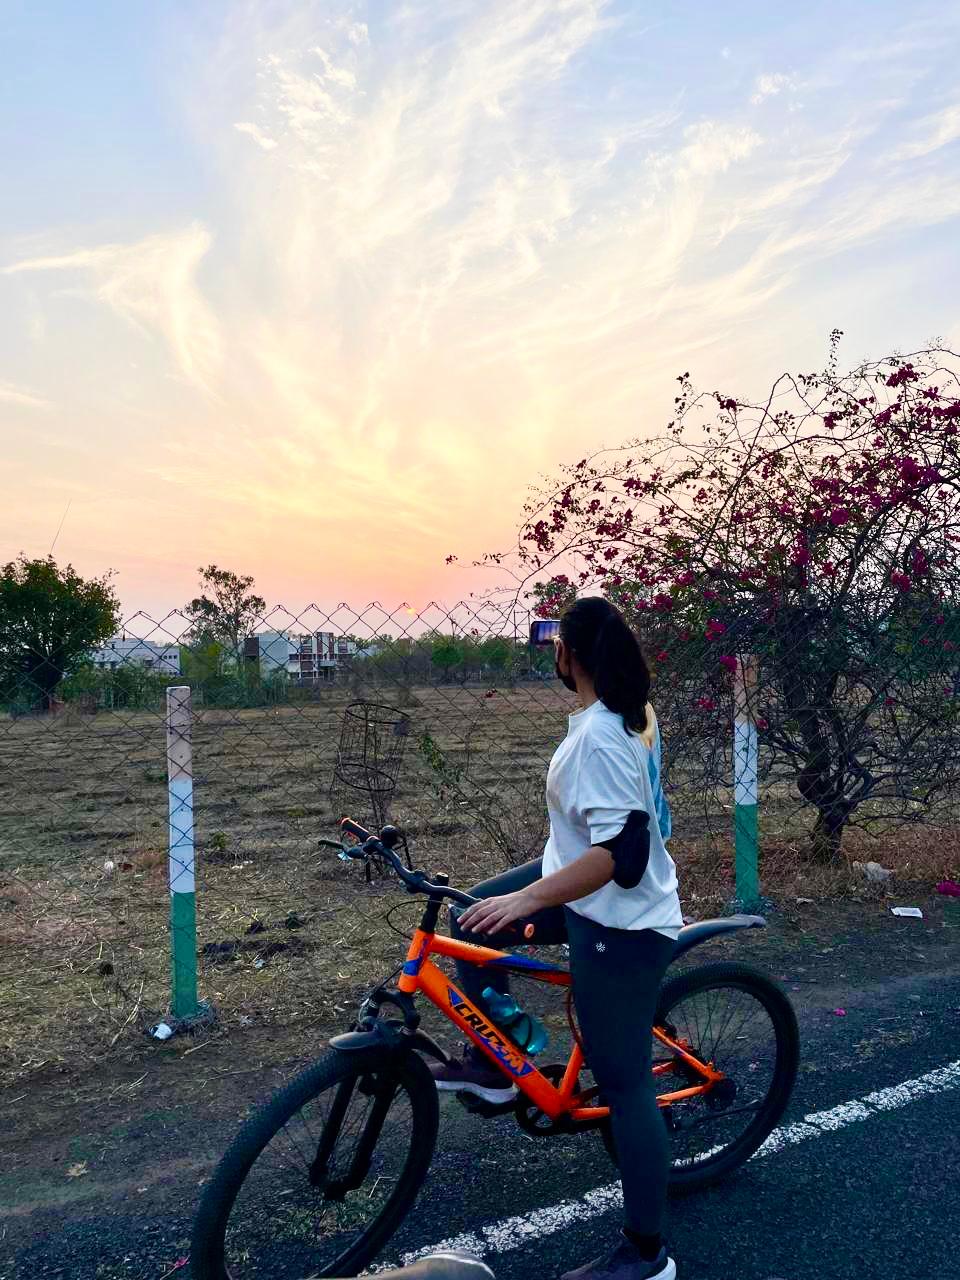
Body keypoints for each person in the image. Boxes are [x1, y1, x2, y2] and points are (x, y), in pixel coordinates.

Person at [430, 596, 682, 1280]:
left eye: (554, 647)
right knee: (474, 913)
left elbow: (623, 855)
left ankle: (647, 1255)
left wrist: (534, 895)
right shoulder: (621, 716)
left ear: (568, 655)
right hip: (587, 892)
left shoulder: (601, 737)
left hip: (620, 920)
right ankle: (502, 1060)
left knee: (624, 1081)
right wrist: (523, 892)